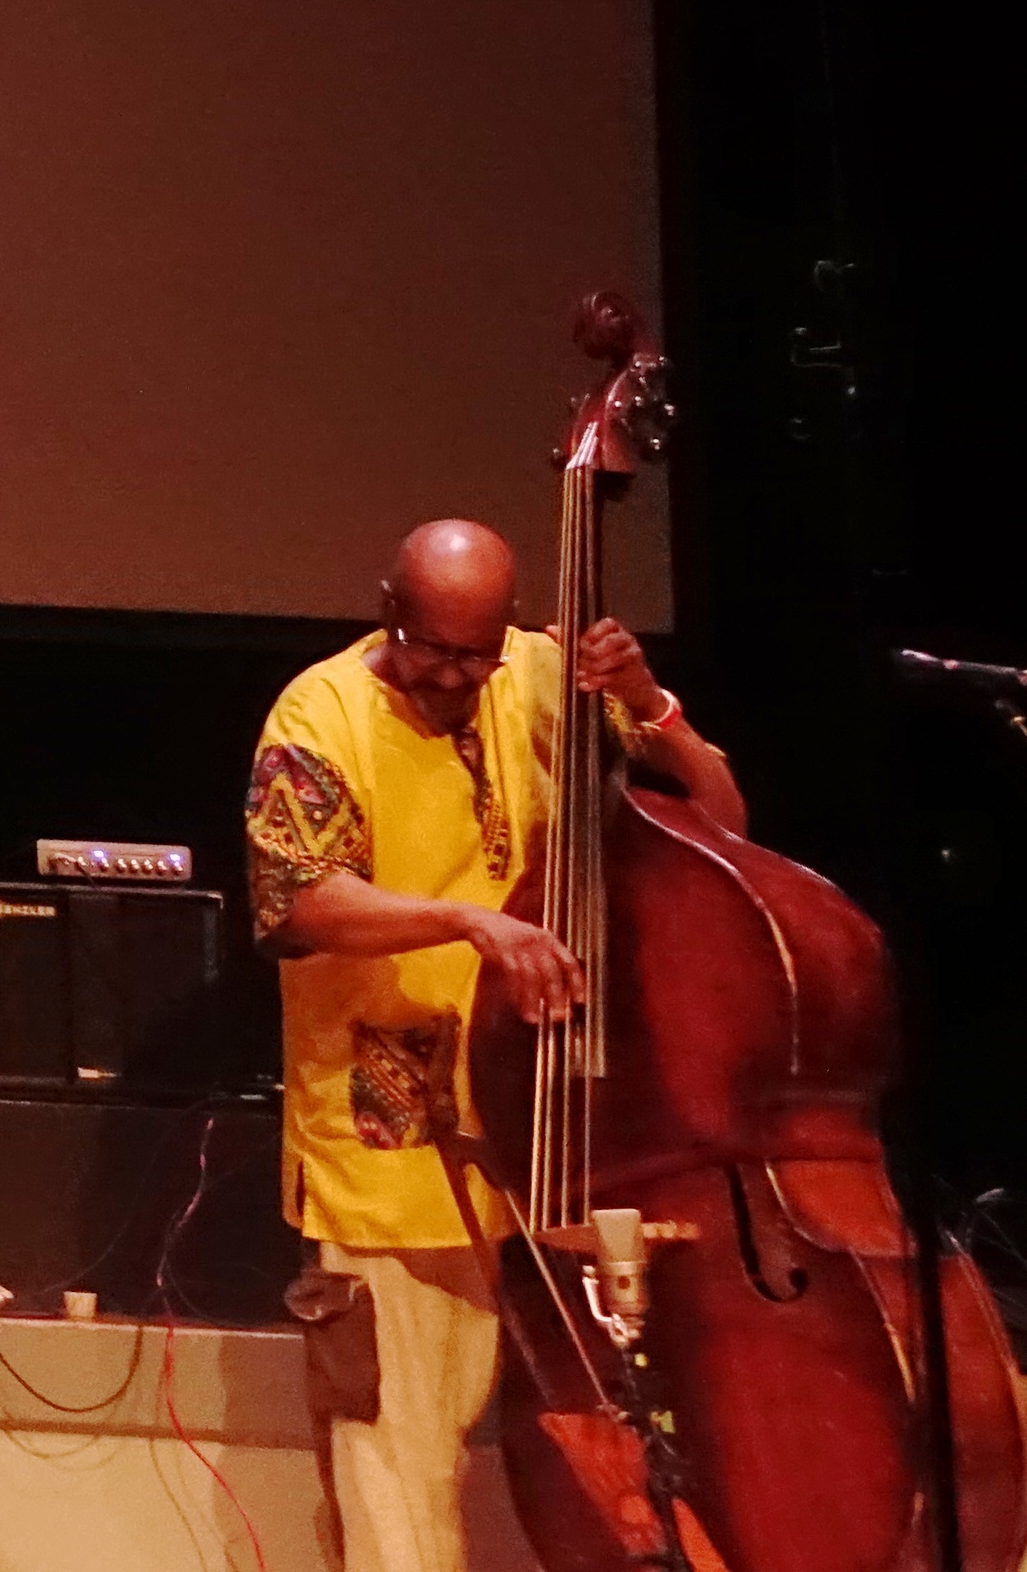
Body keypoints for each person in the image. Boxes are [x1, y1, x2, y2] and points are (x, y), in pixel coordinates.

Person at [243, 518, 742, 1572]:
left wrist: (647, 698)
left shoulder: (539, 673)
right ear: (390, 608)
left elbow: (721, 821)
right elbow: (297, 900)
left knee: (610, 1457)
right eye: (433, 648)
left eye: (476, 653)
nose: (456, 675)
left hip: (553, 1129)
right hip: (393, 1140)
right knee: (397, 1466)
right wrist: (471, 920)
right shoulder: (319, 712)